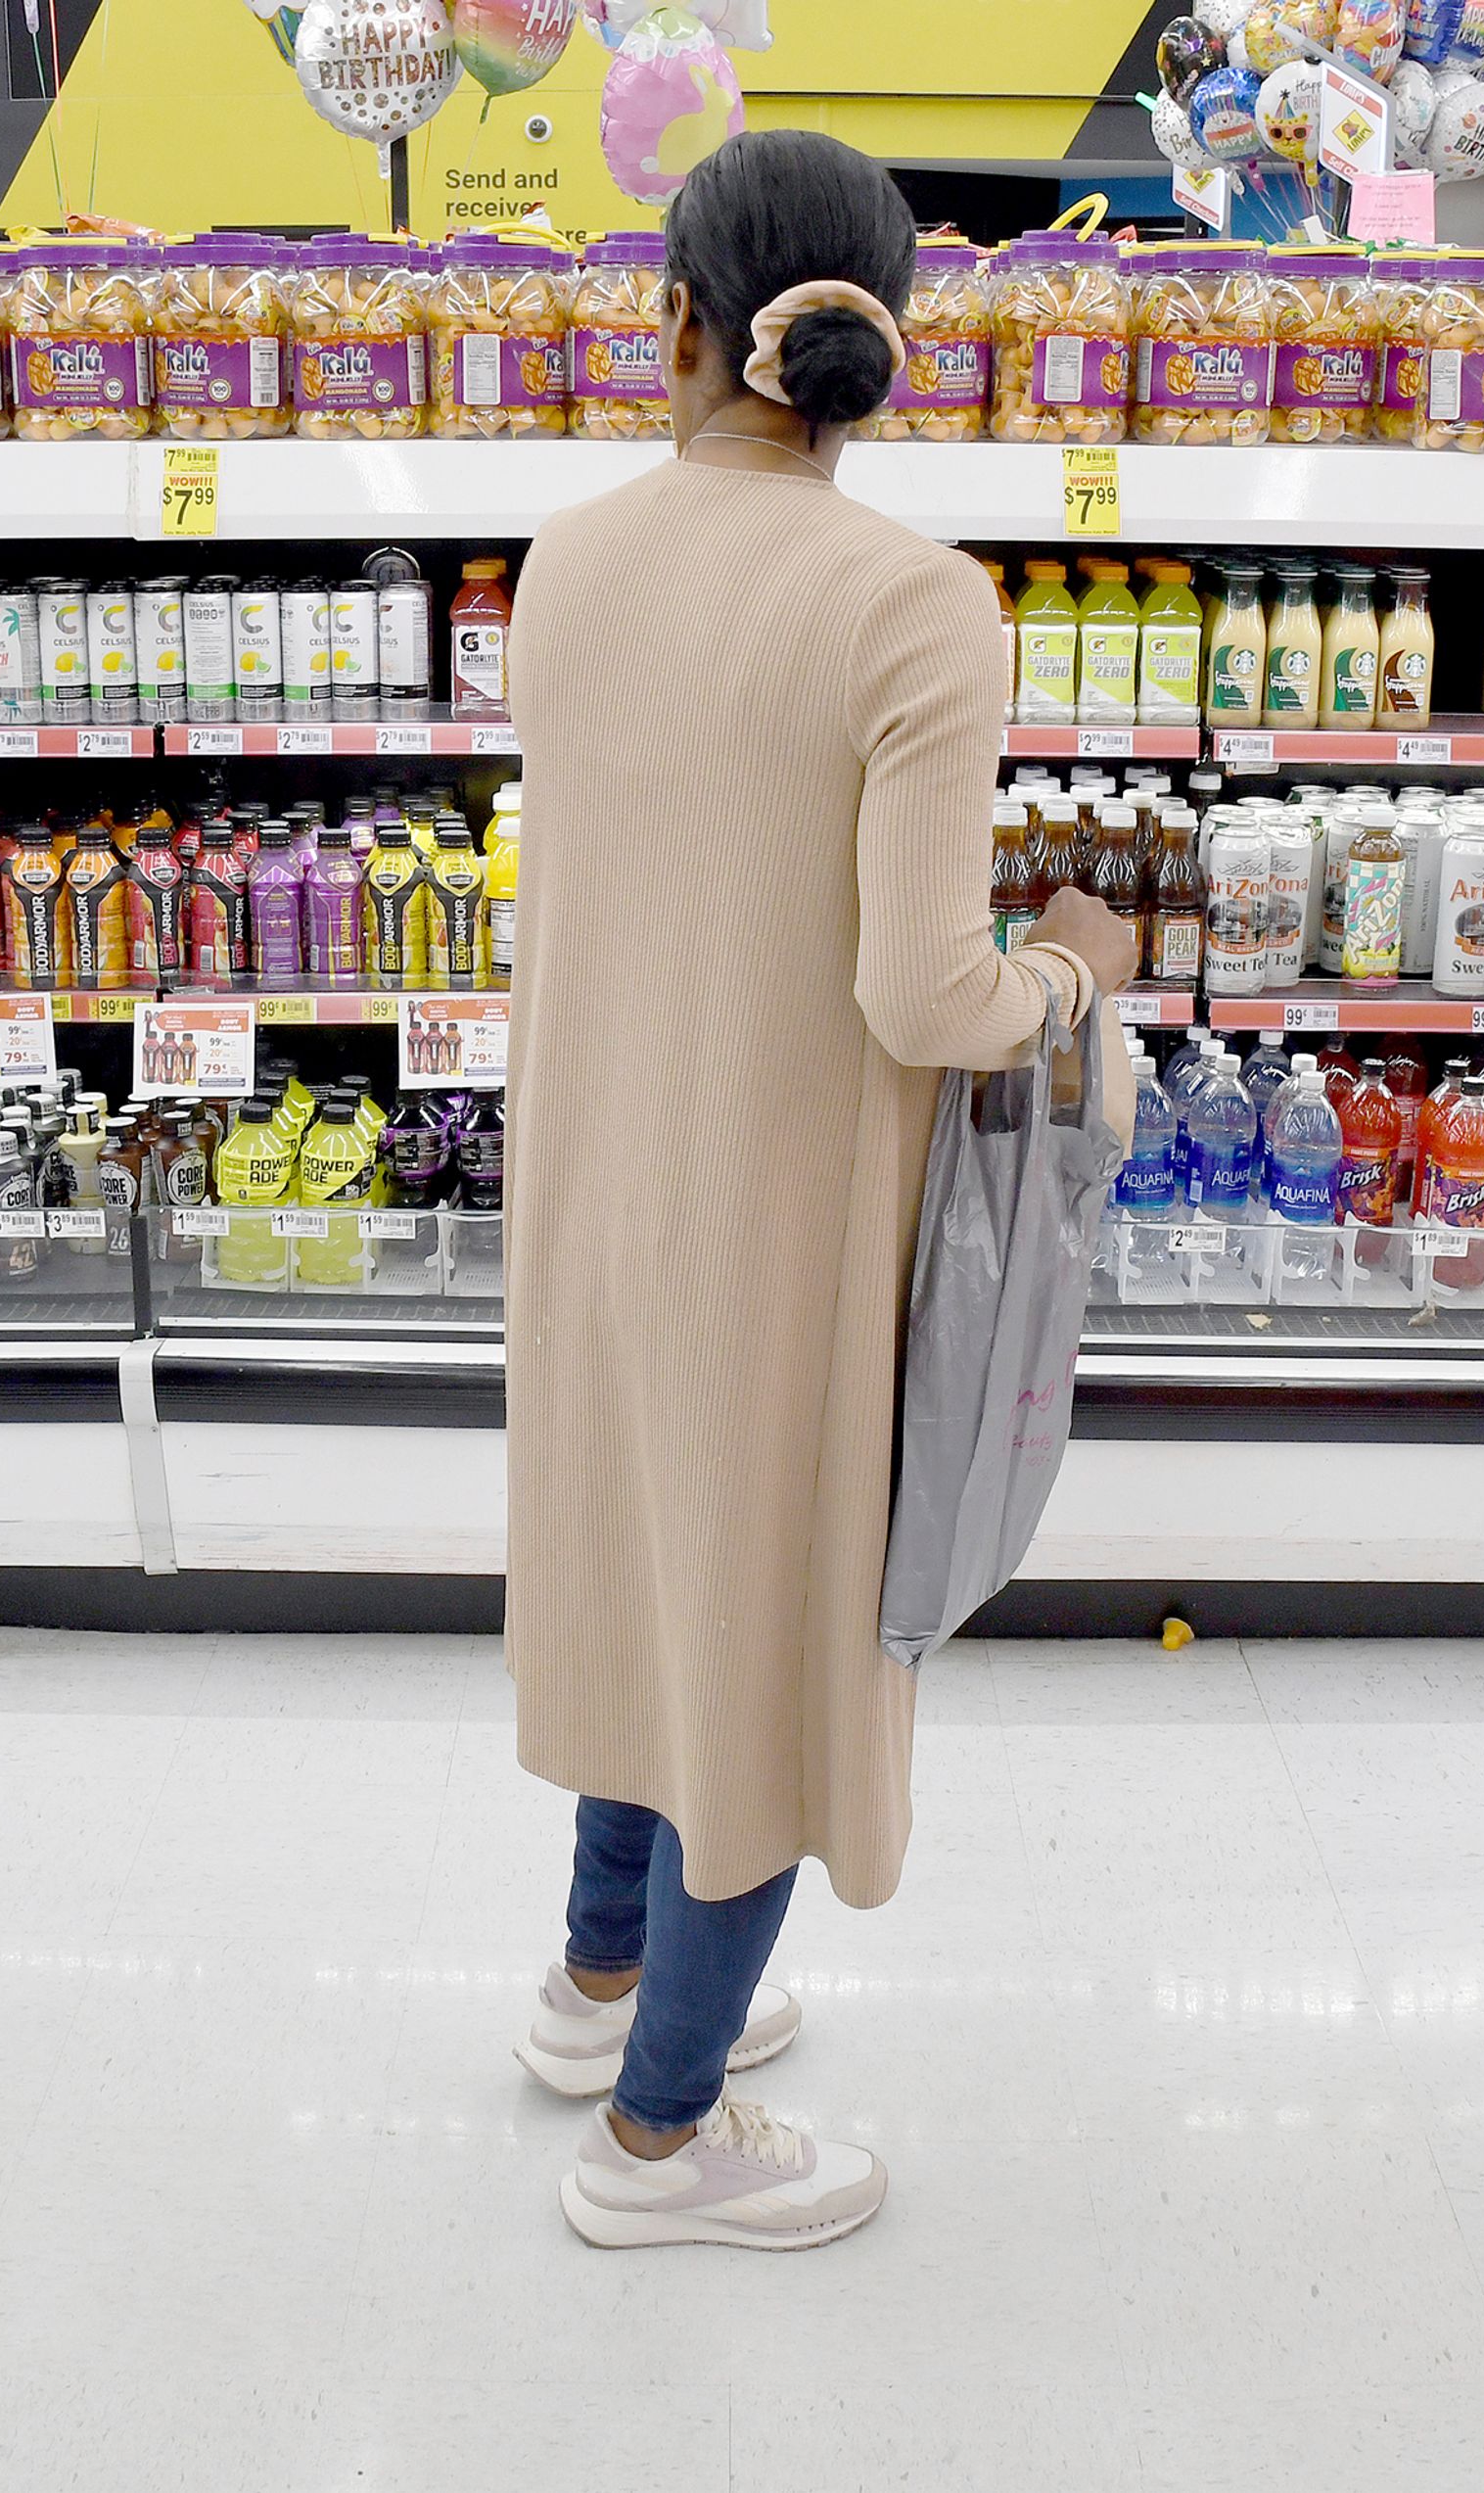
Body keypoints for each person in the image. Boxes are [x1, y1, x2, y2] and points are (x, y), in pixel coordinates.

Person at [497, 131, 1140, 2252]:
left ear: (672, 322)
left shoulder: (563, 564)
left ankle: (598, 1993)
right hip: (778, 1228)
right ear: (888, 353)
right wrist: (1079, 961)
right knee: (763, 1647)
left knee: (638, 1580)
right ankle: (657, 2144)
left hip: (598, 1198)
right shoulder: (913, 605)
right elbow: (922, 992)